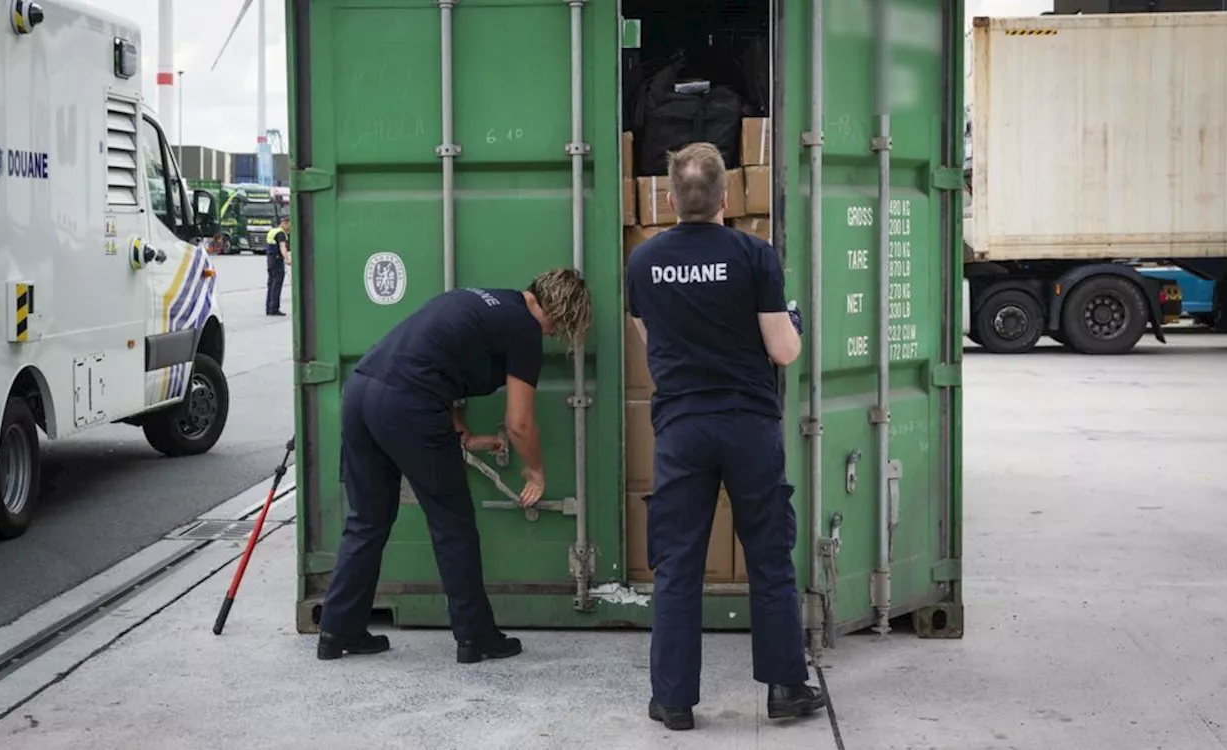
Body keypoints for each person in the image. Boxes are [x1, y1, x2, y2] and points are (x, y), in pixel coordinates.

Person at [624, 142, 824, 731]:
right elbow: (783, 350)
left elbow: (650, 345)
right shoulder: (754, 255)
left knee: (680, 563)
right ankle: (786, 688)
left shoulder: (643, 263)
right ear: (726, 197)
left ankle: (674, 700)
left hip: (683, 428)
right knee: (768, 556)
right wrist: (792, 320)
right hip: (748, 427)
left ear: (668, 197)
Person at [316, 269, 593, 664]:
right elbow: (520, 422)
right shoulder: (524, 329)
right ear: (561, 309)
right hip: (409, 404)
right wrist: (536, 470)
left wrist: (458, 428)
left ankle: (337, 630)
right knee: (453, 526)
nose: (553, 334)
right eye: (560, 326)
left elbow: (431, 360)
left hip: (362, 392)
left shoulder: (482, 298)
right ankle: (476, 637)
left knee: (367, 519)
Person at [265, 217, 290, 316]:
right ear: (284, 223)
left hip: (270, 260)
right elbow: (282, 247)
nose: (289, 228)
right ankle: (274, 308)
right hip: (277, 260)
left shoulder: (272, 231)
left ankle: (269, 308)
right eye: (289, 225)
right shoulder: (281, 234)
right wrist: (287, 259)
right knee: (277, 285)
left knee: (271, 284)